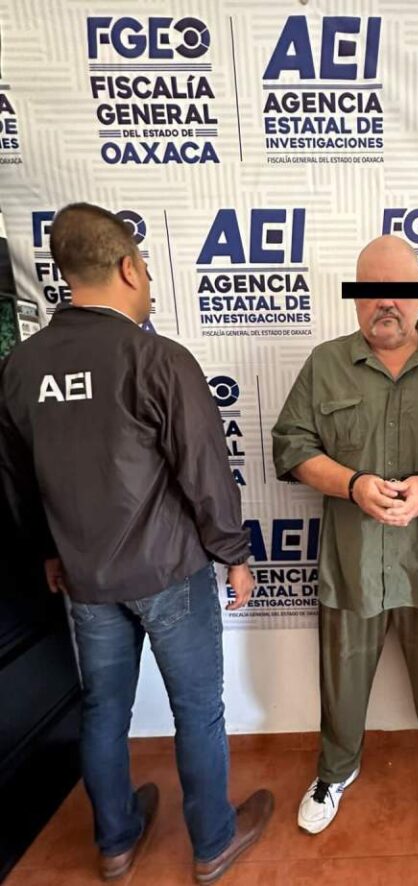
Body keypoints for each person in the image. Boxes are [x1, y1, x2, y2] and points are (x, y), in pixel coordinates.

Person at [0, 203, 274, 885]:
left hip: (86, 581)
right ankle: (212, 843)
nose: (147, 280)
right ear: (127, 267)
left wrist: (48, 552)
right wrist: (234, 554)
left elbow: (16, 480)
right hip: (169, 574)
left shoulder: (21, 367)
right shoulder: (157, 358)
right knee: (198, 713)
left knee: (104, 710)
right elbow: (206, 473)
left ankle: (116, 843)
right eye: (145, 267)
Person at [272, 235, 418, 836]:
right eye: (372, 290)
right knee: (341, 679)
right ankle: (334, 770)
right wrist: (352, 485)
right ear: (355, 297)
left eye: (399, 289)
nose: (386, 302)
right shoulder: (325, 363)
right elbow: (291, 446)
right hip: (352, 560)